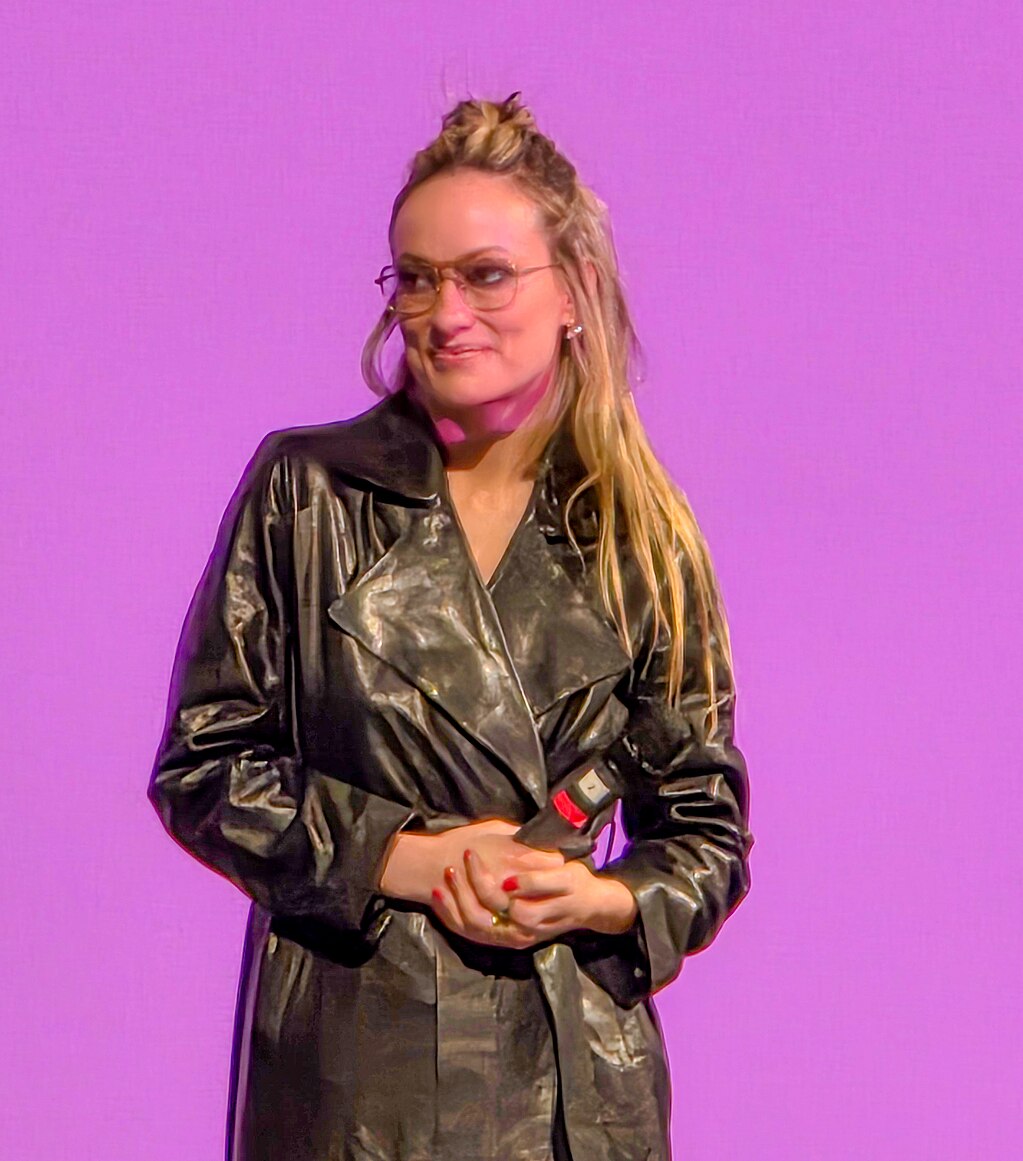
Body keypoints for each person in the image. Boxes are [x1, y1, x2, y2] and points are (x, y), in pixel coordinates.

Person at [150, 95, 749, 1161]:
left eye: (485, 274)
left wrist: (602, 897)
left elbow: (706, 829)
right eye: (416, 279)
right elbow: (205, 768)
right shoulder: (308, 493)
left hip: (571, 1086)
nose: (445, 312)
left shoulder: (642, 539)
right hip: (354, 1080)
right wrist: (404, 857)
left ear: (574, 292)